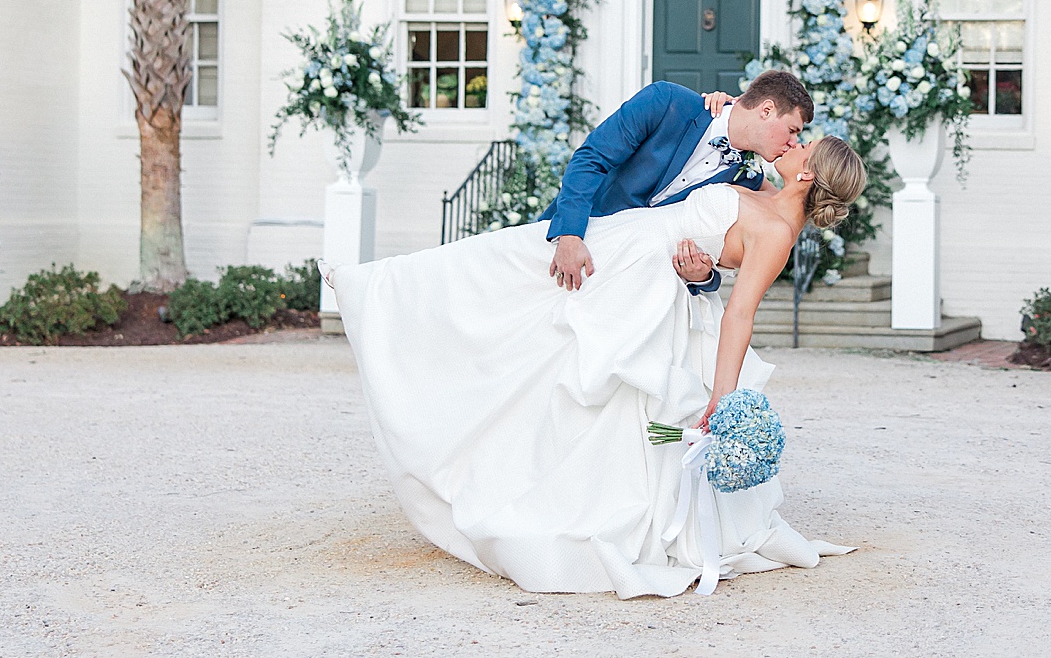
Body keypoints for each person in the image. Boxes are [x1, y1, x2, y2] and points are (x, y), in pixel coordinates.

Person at [326, 130, 868, 598]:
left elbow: (739, 316)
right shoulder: (763, 189)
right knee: (507, 259)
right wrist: (700, 267)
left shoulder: (777, 234)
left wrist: (721, 400)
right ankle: (378, 288)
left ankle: (373, 294)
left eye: (806, 145)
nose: (795, 142)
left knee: (556, 357)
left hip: (635, 280)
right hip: (622, 240)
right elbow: (708, 237)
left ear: (808, 176)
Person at [541, 69, 813, 295]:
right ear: (766, 110)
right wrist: (570, 235)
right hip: (576, 245)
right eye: (792, 130)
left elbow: (719, 255)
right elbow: (592, 158)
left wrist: (703, 276)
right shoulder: (666, 102)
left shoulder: (748, 181)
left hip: (632, 287)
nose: (793, 143)